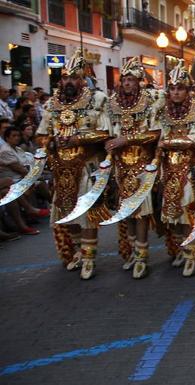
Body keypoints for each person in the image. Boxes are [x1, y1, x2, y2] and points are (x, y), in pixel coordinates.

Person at [36, 49, 112, 280]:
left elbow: (106, 133)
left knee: (87, 213)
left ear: (83, 79)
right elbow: (41, 135)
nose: (70, 81)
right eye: (66, 77)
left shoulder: (98, 100)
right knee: (66, 211)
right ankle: (79, 251)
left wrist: (80, 138)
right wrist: (50, 141)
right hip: (62, 169)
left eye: (75, 77)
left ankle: (89, 257)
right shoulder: (52, 104)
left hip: (87, 166)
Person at [105, 57, 163, 279]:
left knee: (140, 213)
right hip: (121, 168)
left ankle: (141, 256)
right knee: (126, 213)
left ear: (139, 82)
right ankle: (132, 253)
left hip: (142, 167)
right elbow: (108, 133)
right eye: (124, 79)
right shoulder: (113, 104)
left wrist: (126, 141)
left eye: (131, 80)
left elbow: (155, 133)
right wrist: (109, 143)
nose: (127, 83)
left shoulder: (150, 102)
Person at [153, 60, 195, 277]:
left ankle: (191, 255)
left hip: (190, 169)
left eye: (180, 88)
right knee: (172, 214)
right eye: (173, 88)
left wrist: (167, 143)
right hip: (168, 170)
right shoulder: (162, 111)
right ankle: (181, 249)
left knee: (188, 212)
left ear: (188, 90)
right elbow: (156, 136)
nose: (176, 93)